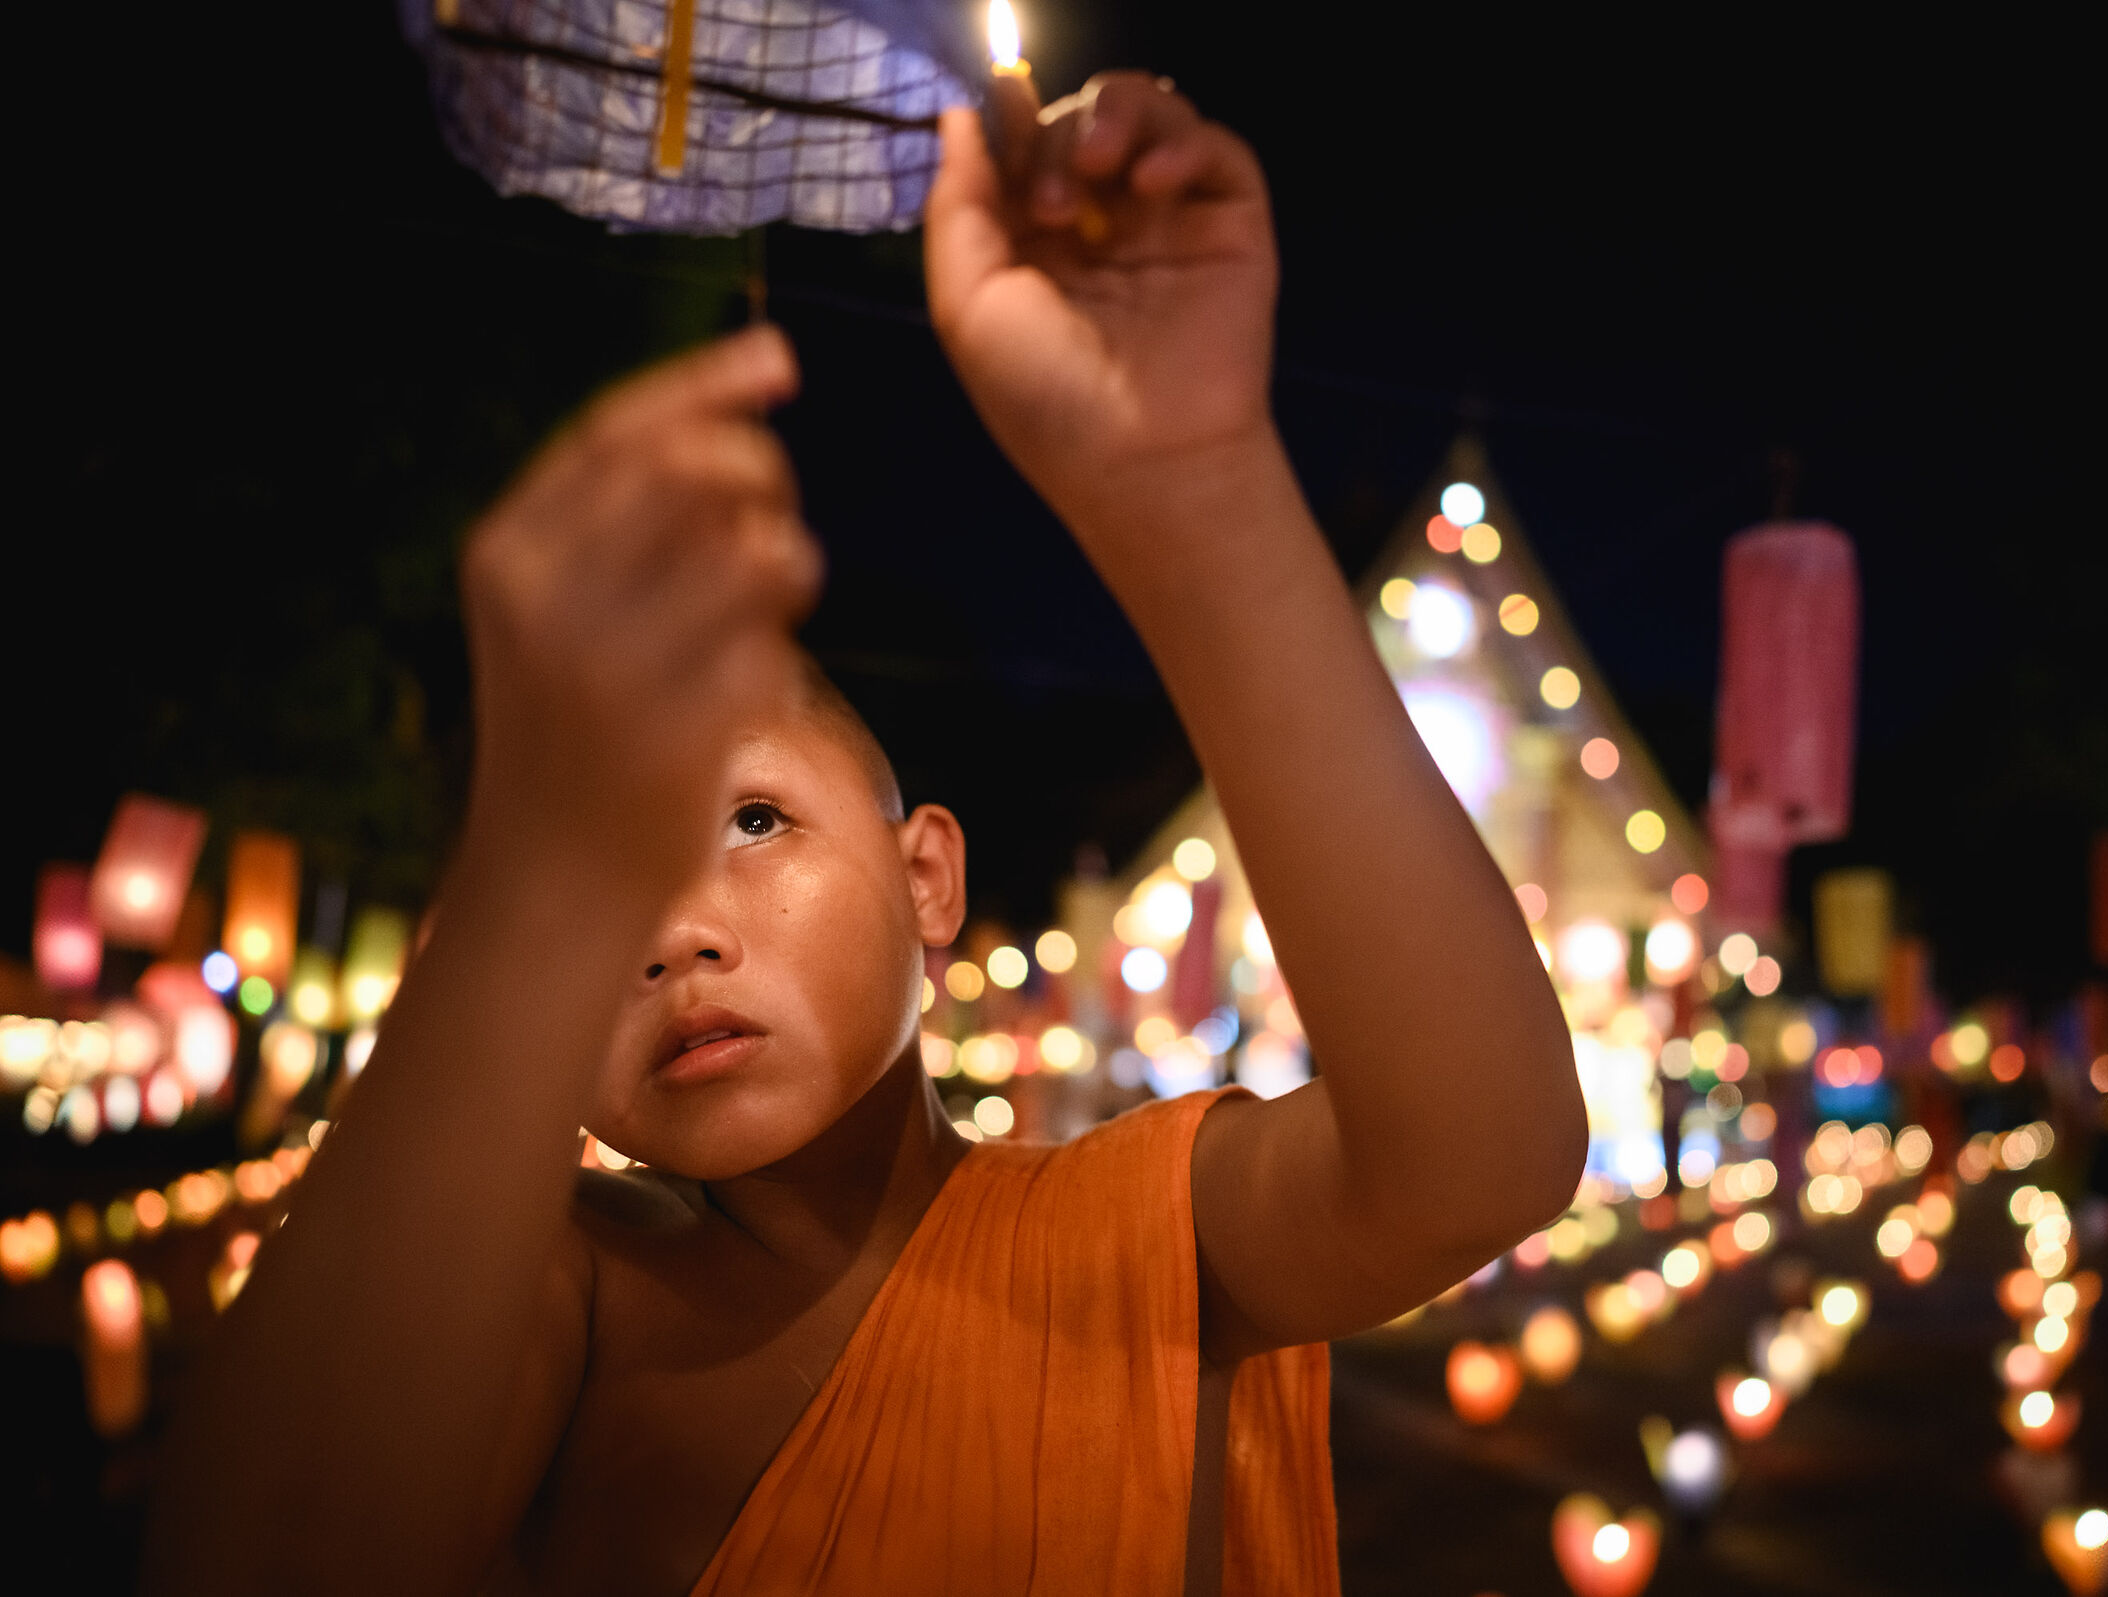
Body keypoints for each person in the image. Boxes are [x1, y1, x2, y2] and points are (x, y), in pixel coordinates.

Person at [144, 70, 1583, 1596]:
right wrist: (524, 878)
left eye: (752, 818)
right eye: (595, 874)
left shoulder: (1140, 1238)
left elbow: (1481, 1159)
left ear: (928, 878)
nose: (672, 930)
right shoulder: (559, 1296)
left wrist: (1193, 483)